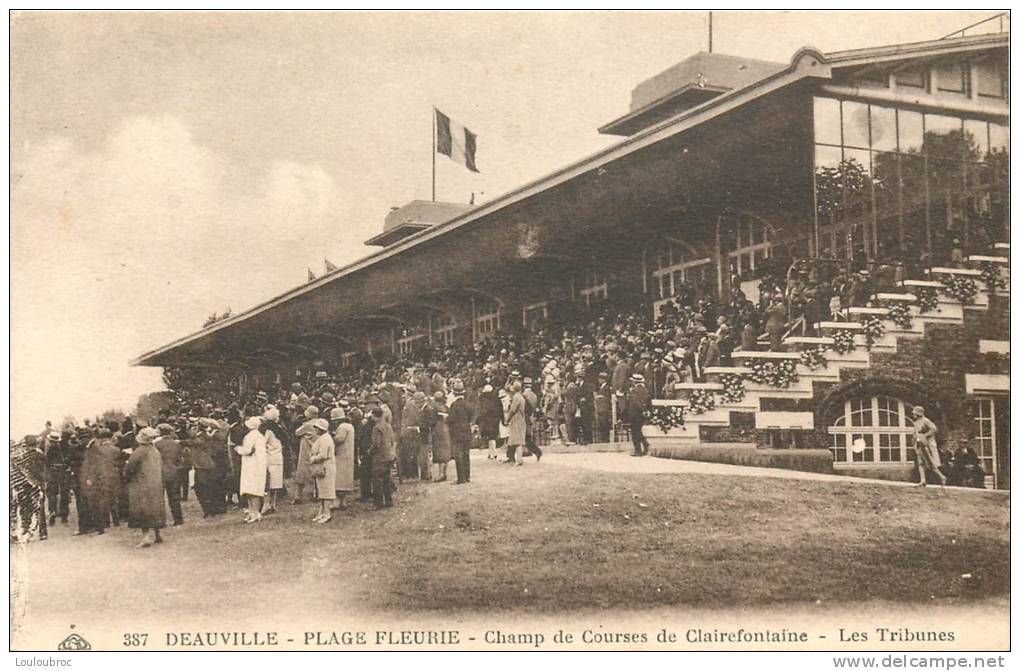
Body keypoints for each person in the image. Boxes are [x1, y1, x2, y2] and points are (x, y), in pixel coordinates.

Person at [124, 427, 166, 547]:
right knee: (156, 508)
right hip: (155, 483)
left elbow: (130, 469)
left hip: (141, 484)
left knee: (143, 510)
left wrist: (126, 475)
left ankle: (146, 536)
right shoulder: (155, 450)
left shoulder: (139, 452)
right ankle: (158, 534)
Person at [78, 429, 122, 534]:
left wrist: (91, 478)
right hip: (110, 476)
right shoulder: (113, 449)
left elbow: (95, 464)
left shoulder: (95, 448)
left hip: (96, 478)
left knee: (98, 501)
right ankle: (112, 521)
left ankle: (100, 525)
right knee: (109, 499)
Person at [11, 436, 48, 542]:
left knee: (26, 508)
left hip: (27, 485)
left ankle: (26, 531)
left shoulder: (24, 456)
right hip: (38, 485)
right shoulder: (39, 454)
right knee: (39, 509)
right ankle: (42, 533)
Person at [190, 417, 228, 517]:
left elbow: (193, 442)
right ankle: (211, 508)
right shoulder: (206, 435)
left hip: (202, 466)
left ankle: (209, 509)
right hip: (206, 465)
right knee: (208, 487)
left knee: (202, 487)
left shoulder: (203, 437)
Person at [236, 416, 267, 523]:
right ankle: (252, 512)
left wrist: (238, 449)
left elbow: (247, 450)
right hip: (258, 465)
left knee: (251, 490)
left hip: (251, 465)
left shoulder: (250, 436)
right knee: (252, 489)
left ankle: (255, 512)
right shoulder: (260, 436)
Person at [154, 424, 185, 526]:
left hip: (160, 473)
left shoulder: (156, 444)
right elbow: (180, 459)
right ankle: (178, 519)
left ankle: (161, 521)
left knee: (160, 498)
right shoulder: (176, 444)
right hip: (174, 473)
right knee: (175, 497)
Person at [261, 406, 287, 514]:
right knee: (275, 483)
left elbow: (262, 443)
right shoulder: (280, 429)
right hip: (278, 457)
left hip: (269, 458)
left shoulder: (268, 431)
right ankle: (273, 504)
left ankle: (266, 504)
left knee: (267, 483)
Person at [292, 405, 320, 504]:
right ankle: (316, 493)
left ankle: (298, 495)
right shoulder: (320, 423)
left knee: (302, 473)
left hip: (306, 450)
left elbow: (297, 432)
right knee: (316, 472)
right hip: (316, 449)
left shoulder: (307, 425)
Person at [912, 406, 946, 487]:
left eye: (915, 413)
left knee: (930, 463)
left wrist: (925, 435)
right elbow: (915, 434)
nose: (913, 414)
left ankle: (942, 477)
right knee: (920, 463)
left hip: (926, 445)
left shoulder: (926, 421)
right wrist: (915, 444)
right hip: (919, 444)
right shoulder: (916, 423)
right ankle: (923, 480)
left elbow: (934, 429)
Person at [447, 380, 473, 485]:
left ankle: (461, 478)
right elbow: (471, 417)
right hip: (466, 430)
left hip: (457, 432)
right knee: (466, 454)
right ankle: (467, 477)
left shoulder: (454, 405)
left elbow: (451, 419)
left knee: (458, 455)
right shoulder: (468, 404)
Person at [370, 407, 396, 509]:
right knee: (386, 479)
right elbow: (392, 440)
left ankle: (378, 503)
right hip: (388, 455)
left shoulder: (377, 428)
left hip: (379, 456)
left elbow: (376, 444)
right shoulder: (388, 425)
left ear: (375, 416)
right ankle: (389, 501)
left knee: (377, 480)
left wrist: (369, 451)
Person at [331, 407, 355, 510]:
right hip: (348, 454)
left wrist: (332, 436)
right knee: (346, 479)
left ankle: (337, 502)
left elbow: (339, 439)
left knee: (339, 479)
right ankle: (344, 501)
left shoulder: (342, 427)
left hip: (341, 454)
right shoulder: (350, 426)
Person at [429, 391, 453, 481]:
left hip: (437, 430)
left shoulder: (434, 408)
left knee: (439, 452)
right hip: (446, 429)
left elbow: (432, 421)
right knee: (445, 451)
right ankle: (444, 472)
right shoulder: (446, 407)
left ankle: (440, 474)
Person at [626, 374, 652, 457]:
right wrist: (646, 410)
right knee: (638, 431)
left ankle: (638, 450)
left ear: (635, 381)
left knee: (635, 432)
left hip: (635, 413)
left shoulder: (634, 390)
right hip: (642, 414)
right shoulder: (645, 390)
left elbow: (635, 403)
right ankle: (644, 445)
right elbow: (649, 402)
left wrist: (641, 409)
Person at [476, 384, 502, 460]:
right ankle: (492, 453)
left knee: (489, 436)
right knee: (493, 436)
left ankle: (492, 453)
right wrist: (502, 419)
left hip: (486, 420)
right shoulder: (497, 399)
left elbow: (480, 410)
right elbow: (500, 409)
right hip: (495, 419)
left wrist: (478, 420)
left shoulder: (482, 398)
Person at [506, 382, 527, 466]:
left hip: (516, 419)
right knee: (519, 439)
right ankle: (519, 458)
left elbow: (512, 410)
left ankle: (519, 459)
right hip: (520, 418)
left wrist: (507, 419)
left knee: (517, 440)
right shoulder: (521, 397)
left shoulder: (516, 397)